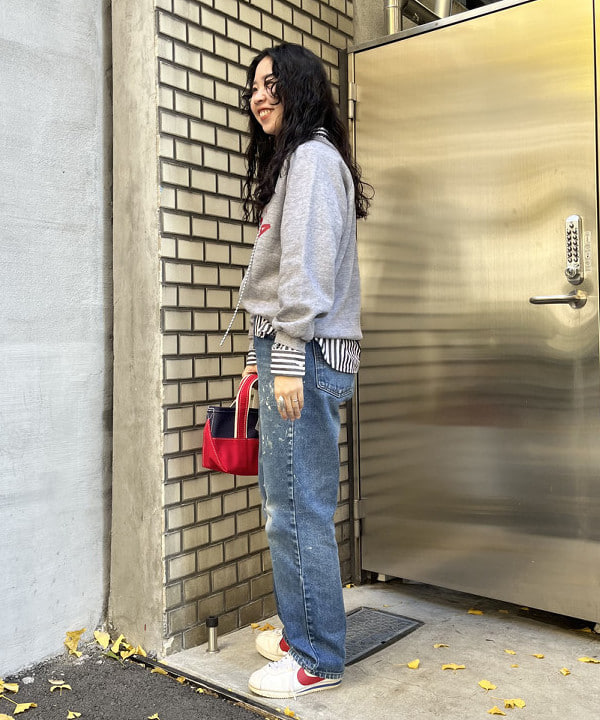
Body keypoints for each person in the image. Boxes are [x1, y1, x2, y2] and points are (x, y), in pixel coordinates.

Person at [237, 43, 371, 699]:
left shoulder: (312, 159)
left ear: (301, 88)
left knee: (296, 508)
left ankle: (317, 657)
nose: (259, 96)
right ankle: (302, 632)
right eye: (253, 87)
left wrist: (284, 355)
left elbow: (305, 271)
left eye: (273, 84)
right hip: (295, 354)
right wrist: (261, 358)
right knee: (288, 503)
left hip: (305, 355)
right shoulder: (302, 159)